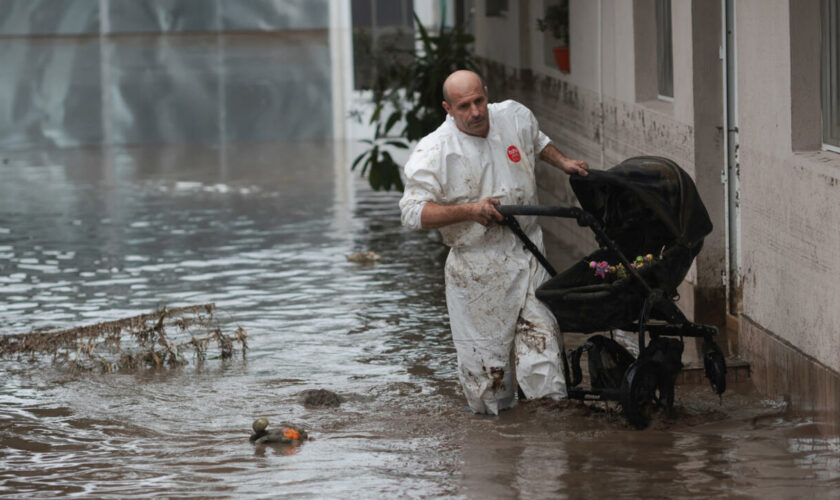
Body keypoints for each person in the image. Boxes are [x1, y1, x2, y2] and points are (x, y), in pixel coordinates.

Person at [399, 70, 589, 415]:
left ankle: (547, 448)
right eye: (464, 106)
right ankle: (495, 444)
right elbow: (412, 213)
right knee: (489, 379)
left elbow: (537, 139)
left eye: (479, 101)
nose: (475, 112)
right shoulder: (434, 150)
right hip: (477, 269)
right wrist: (470, 211)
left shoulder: (514, 115)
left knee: (543, 355)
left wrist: (564, 163)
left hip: (528, 252)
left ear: (487, 94)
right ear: (448, 108)